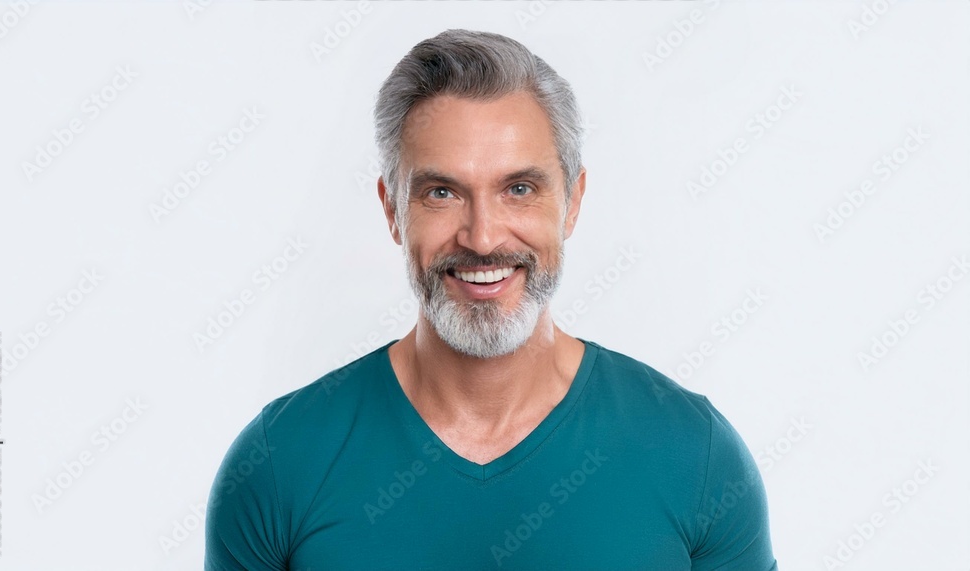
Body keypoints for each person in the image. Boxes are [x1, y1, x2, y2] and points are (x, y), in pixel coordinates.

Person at [205, 28, 778, 570]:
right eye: (441, 192)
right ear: (391, 209)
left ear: (573, 201)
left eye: (519, 189)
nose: (482, 238)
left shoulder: (692, 455)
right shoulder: (280, 463)